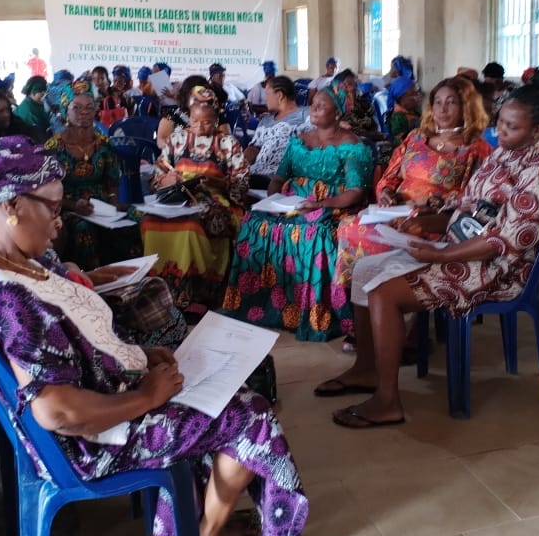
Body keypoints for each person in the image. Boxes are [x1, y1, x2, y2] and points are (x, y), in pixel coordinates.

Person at [0, 137, 308, 536]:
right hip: (93, 440)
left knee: (225, 384)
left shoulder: (15, 263)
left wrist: (138, 354)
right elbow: (58, 412)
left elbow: (72, 346)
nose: (58, 224)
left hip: (109, 403)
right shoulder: (7, 297)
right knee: (252, 411)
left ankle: (193, 513)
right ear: (13, 205)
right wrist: (147, 396)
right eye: (52, 208)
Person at [317, 84, 539, 426]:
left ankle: (388, 401)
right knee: (363, 270)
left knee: (383, 293)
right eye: (501, 123)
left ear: (538, 130)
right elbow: (466, 205)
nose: (501, 132)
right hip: (459, 248)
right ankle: (366, 369)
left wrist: (442, 255)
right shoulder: (505, 153)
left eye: (512, 127)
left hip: (495, 268)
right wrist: (422, 224)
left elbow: (503, 243)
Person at [329, 76, 492, 331]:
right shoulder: (416, 137)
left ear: (466, 107)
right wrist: (386, 194)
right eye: (437, 102)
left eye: (451, 103)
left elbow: (475, 198)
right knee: (350, 227)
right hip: (396, 210)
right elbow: (389, 177)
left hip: (435, 219)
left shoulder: (476, 148)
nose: (442, 109)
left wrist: (432, 202)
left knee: (393, 236)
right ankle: (364, 324)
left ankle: (406, 325)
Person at [222, 86, 373, 342]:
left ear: (337, 113)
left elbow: (356, 191)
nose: (313, 109)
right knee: (254, 221)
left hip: (331, 204)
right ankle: (260, 307)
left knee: (314, 230)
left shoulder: (351, 145)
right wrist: (274, 200)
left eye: (321, 106)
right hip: (291, 201)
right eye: (313, 104)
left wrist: (322, 204)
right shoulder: (300, 140)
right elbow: (279, 178)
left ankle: (311, 313)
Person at [141, 88, 249, 310]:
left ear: (216, 120)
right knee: (149, 223)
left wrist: (220, 182)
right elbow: (157, 175)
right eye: (195, 121)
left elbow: (242, 181)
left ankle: (193, 294)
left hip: (216, 199)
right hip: (177, 199)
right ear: (188, 118)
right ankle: (156, 289)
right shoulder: (176, 139)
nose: (200, 127)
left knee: (191, 227)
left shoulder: (228, 142)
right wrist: (166, 180)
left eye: (207, 123)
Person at [44, 86, 134, 269]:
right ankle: (92, 281)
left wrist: (115, 202)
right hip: (67, 205)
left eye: (89, 107)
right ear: (65, 111)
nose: (83, 112)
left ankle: (128, 275)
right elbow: (46, 190)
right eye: (76, 107)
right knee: (83, 229)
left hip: (101, 205)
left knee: (134, 219)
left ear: (96, 111)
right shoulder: (53, 146)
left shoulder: (104, 143)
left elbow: (112, 181)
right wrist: (73, 205)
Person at [242, 75, 308, 189]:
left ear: (279, 95)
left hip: (280, 177)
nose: (265, 99)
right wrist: (238, 167)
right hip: (255, 174)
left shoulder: (305, 115)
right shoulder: (265, 120)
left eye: (267, 94)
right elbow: (253, 149)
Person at [386, 72, 423, 148]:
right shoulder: (399, 118)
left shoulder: (411, 111)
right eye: (412, 95)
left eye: (416, 93)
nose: (416, 98)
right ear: (400, 97)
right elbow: (400, 146)